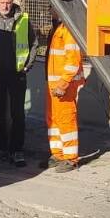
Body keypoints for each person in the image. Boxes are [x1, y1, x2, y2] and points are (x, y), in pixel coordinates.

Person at [0, 0, 37, 167]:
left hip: (17, 74)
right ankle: (0, 148)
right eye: (2, 2)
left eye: (9, 2)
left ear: (13, 1)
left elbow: (33, 44)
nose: (6, 5)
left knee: (17, 115)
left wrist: (27, 66)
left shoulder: (23, 20)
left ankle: (17, 150)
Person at [45, 11, 83, 173]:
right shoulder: (58, 28)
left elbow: (73, 61)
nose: (50, 10)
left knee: (66, 119)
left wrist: (63, 83)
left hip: (62, 86)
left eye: (53, 7)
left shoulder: (67, 29)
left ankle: (70, 158)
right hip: (54, 84)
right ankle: (58, 154)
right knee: (53, 120)